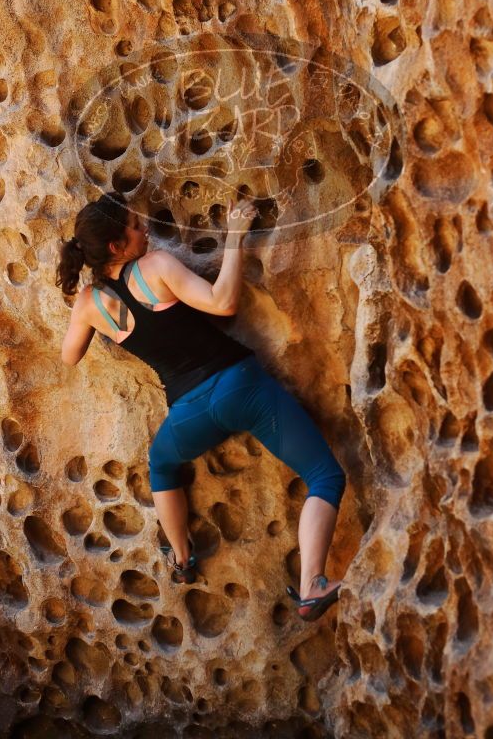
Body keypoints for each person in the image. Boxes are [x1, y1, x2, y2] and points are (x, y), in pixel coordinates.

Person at [56, 191, 346, 622]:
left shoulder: (89, 305)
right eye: (135, 227)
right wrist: (235, 236)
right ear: (117, 246)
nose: (145, 230)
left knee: (162, 465)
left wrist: (88, 307)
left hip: (190, 415)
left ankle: (180, 559)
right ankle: (311, 585)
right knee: (325, 476)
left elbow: (69, 356)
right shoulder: (154, 267)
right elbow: (222, 302)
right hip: (240, 387)